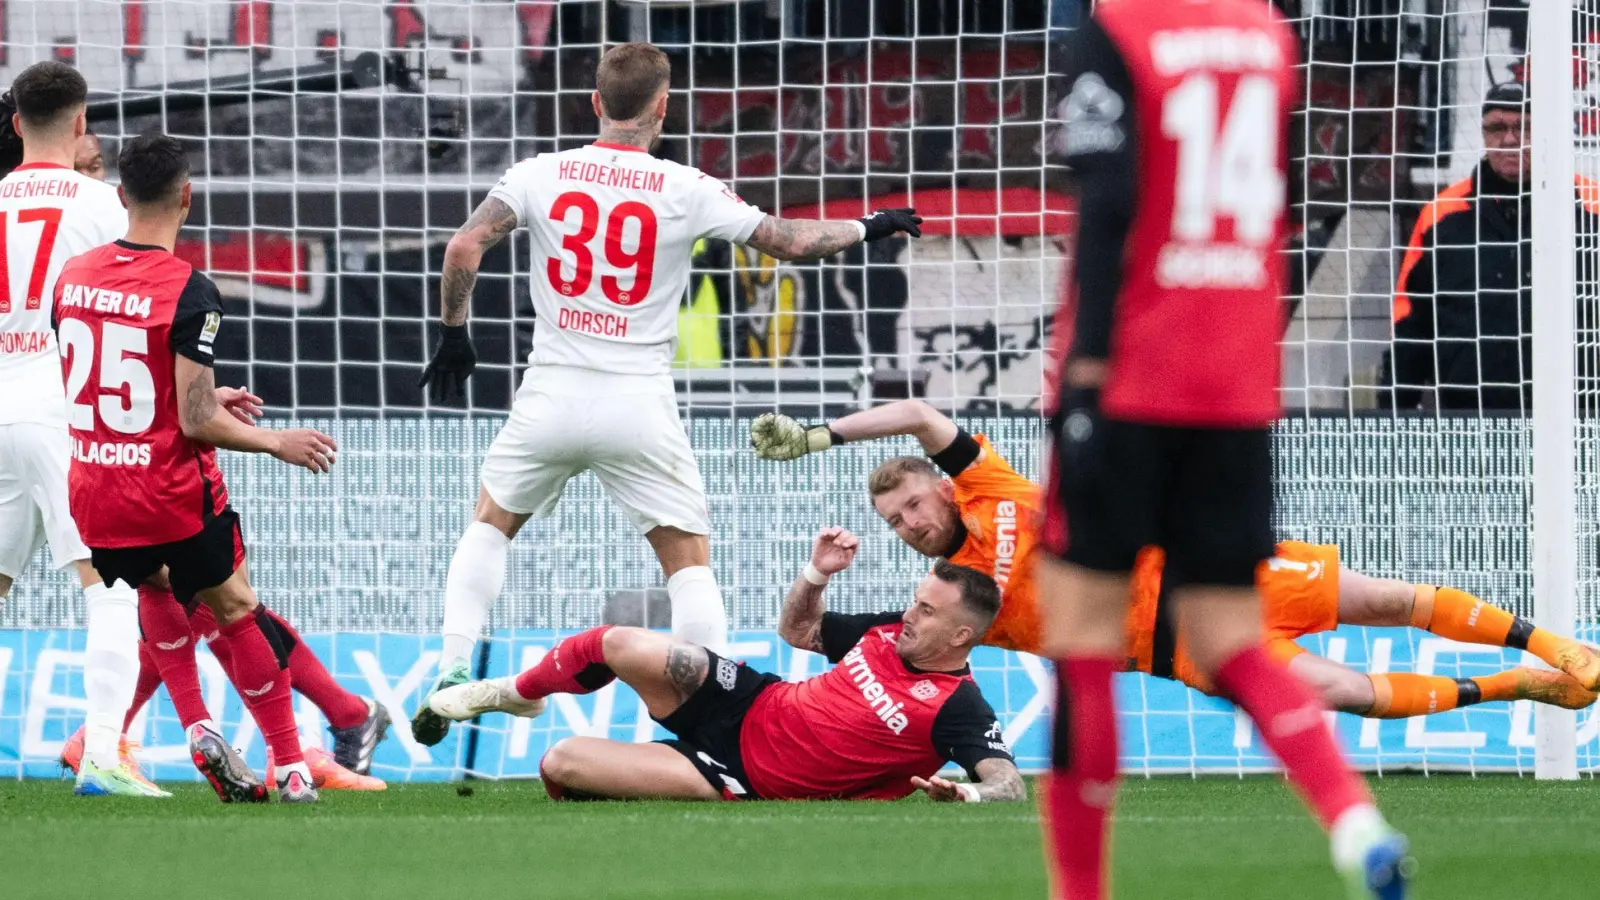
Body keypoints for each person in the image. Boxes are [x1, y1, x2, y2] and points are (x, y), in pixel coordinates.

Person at [410, 41, 923, 746]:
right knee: (687, 562)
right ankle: (704, 728)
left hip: (551, 392)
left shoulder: (539, 173)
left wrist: (453, 335)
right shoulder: (685, 186)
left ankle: (452, 665)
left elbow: (463, 247)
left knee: (490, 525)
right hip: (637, 401)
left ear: (595, 103)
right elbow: (789, 242)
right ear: (663, 106)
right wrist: (871, 226)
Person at [1050, 3, 1407, 897]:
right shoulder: (1266, 35)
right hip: (1237, 391)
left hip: (1130, 376)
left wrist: (1086, 375)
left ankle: (1080, 890)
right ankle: (1351, 817)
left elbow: (1109, 203)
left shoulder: (1118, 34)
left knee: (1084, 648)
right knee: (1234, 643)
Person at [751, 400, 1600, 718]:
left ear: (938, 489)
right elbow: (802, 634)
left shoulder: (994, 490)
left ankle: (1545, 643)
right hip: (1178, 651)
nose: (908, 528)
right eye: (895, 526)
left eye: (910, 508)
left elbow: (916, 411)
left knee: (1382, 601)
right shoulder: (945, 604)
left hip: (1212, 572)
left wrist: (819, 435)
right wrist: (818, 573)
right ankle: (1521, 686)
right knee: (1341, 694)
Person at [54, 138, 391, 791]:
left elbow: (91, 376)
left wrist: (189, 395)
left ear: (119, 196)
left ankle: (188, 726)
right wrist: (275, 441)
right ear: (188, 196)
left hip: (94, 484)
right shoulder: (190, 287)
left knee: (165, 592)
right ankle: (295, 760)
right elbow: (195, 419)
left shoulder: (73, 275)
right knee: (234, 604)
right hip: (167, 487)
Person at [424, 527, 1023, 802]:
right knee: (617, 642)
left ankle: (637, 778)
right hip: (753, 700)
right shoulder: (889, 631)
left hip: (747, 776)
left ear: (961, 634)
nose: (910, 614)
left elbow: (1009, 783)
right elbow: (796, 630)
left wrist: (967, 796)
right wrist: (816, 575)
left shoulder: (960, 706)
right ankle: (514, 692)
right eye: (915, 601)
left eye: (926, 609)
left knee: (562, 762)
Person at [0, 60, 143, 796]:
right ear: (82, 122)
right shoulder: (105, 207)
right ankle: (104, 756)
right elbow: (140, 313)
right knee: (113, 582)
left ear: (17, 122)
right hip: (60, 408)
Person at [1384, 82, 1600, 412]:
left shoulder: (1592, 207)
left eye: (1523, 127)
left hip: (1581, 418)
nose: (1510, 139)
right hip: (1470, 419)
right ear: (1484, 135)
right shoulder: (1441, 215)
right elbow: (1411, 322)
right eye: (1496, 128)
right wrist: (1391, 416)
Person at [59, 596, 390, 792]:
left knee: (205, 591)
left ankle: (100, 736)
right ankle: (300, 745)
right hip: (152, 481)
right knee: (216, 592)